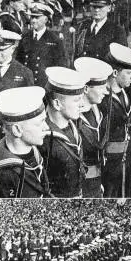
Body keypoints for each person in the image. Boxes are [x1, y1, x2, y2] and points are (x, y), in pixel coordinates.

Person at [0, 86, 50, 198]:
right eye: (40, 123)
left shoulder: (34, 151)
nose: (46, 127)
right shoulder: (3, 172)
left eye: (45, 120)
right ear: (17, 130)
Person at [101, 44, 131, 198]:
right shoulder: (103, 99)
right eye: (129, 72)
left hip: (122, 156)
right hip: (108, 161)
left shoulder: (125, 92)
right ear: (115, 73)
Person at [74, 56, 113, 198]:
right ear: (85, 88)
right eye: (101, 87)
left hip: (96, 181)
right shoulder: (73, 119)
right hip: (80, 184)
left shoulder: (98, 112)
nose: (105, 92)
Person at [43, 67, 85, 198]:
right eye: (77, 100)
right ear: (57, 104)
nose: (82, 104)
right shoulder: (43, 137)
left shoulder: (74, 126)